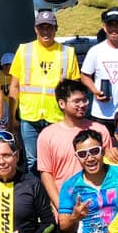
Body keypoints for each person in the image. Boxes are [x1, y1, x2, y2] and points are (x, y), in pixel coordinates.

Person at [9, 9, 78, 163]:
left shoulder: (67, 53)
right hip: (29, 117)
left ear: (56, 29)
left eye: (49, 27)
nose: (45, 32)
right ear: (35, 29)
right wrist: (12, 118)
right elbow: (14, 86)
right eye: (42, 27)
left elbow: (74, 90)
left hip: (57, 117)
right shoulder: (24, 50)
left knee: (57, 160)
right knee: (32, 161)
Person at [35, 81, 111, 207]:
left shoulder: (100, 130)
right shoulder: (47, 135)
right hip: (65, 203)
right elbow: (46, 174)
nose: (82, 105)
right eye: (77, 101)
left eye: (85, 100)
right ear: (62, 103)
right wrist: (60, 206)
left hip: (98, 204)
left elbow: (108, 165)